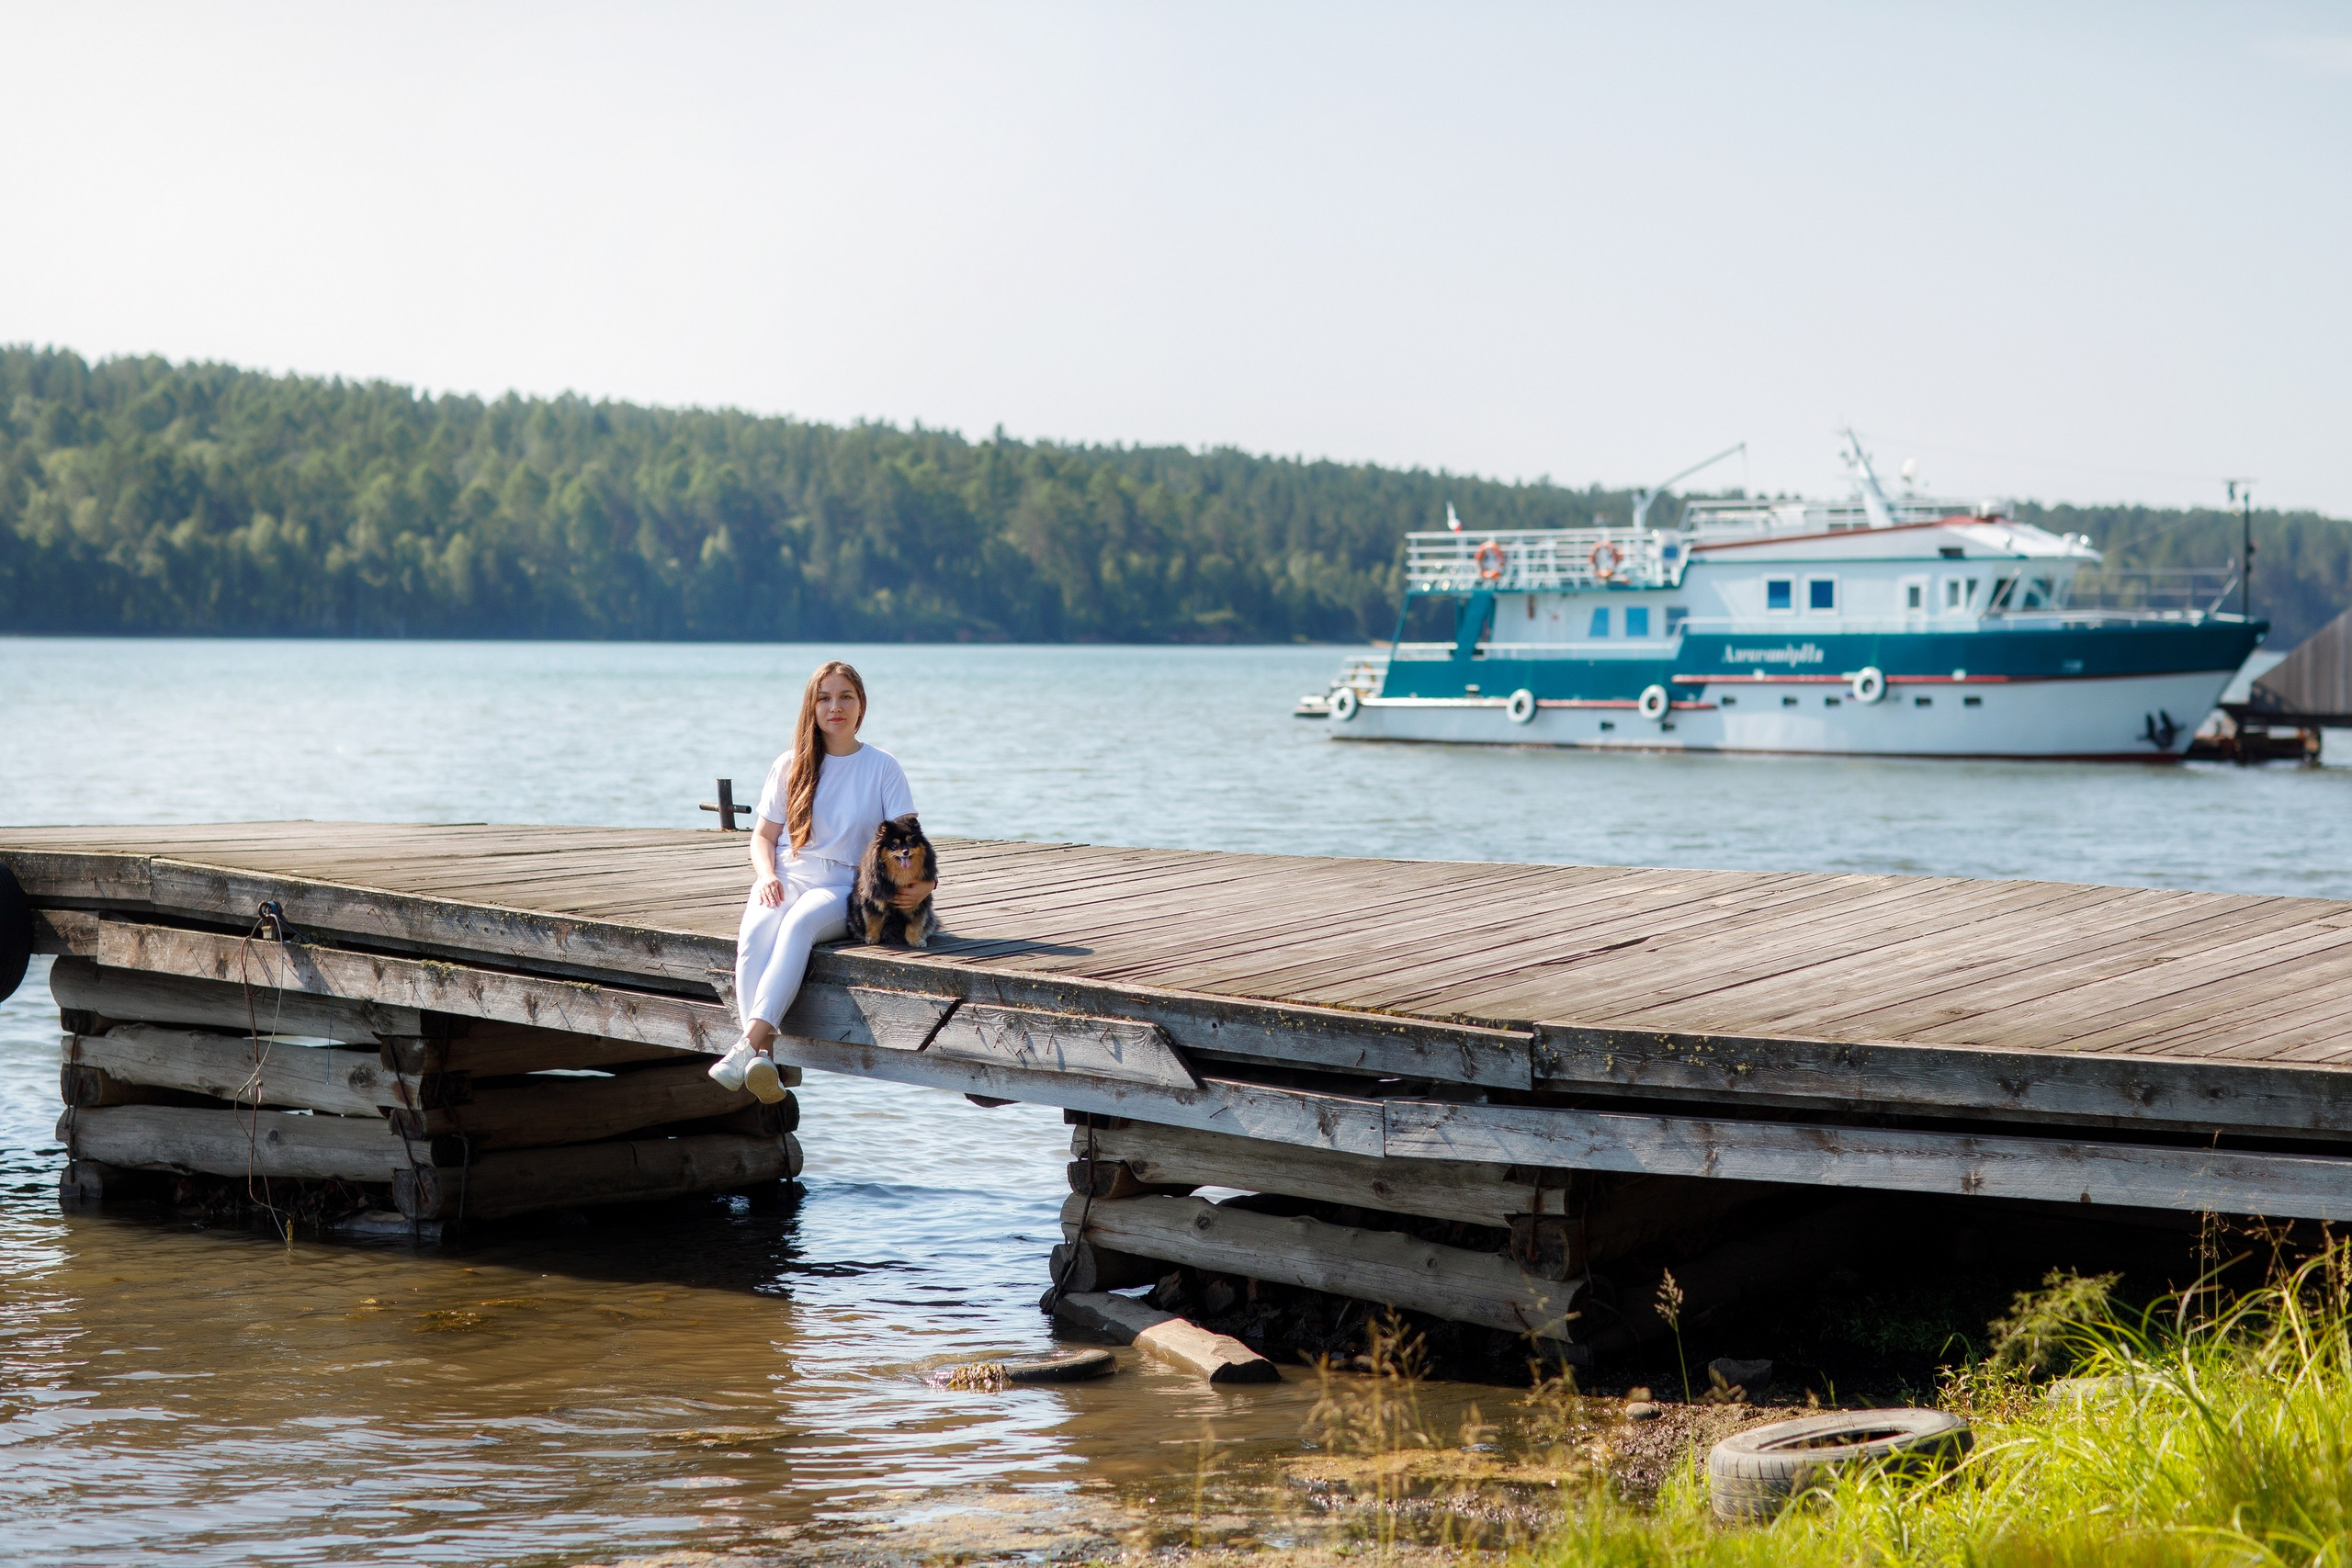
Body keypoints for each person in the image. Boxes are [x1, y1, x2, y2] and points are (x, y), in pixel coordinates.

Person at [709, 660, 933, 1101]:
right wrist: (767, 875)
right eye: (825, 697)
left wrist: (922, 886)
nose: (836, 707)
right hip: (787, 874)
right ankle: (762, 1059)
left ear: (861, 705)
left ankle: (743, 1047)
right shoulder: (790, 764)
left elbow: (909, 843)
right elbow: (763, 836)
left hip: (845, 885)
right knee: (755, 932)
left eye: (846, 696)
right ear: (811, 707)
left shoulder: (882, 766)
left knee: (798, 926)